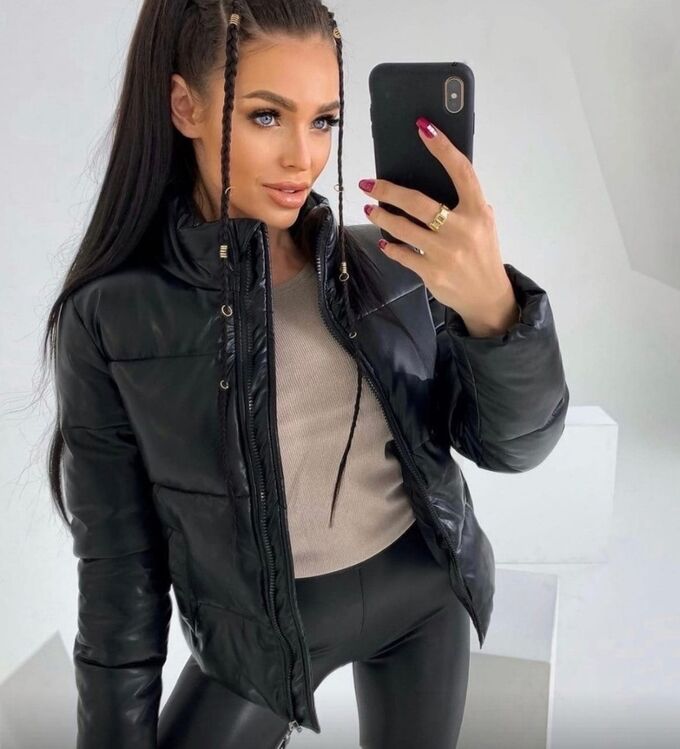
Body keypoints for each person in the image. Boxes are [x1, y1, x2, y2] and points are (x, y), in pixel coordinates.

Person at [46, 1, 569, 748]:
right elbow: (118, 579)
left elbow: (515, 447)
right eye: (267, 116)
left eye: (324, 120)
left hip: (426, 596)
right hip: (262, 635)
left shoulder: (388, 263)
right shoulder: (113, 318)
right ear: (185, 106)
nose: (304, 157)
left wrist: (494, 309)